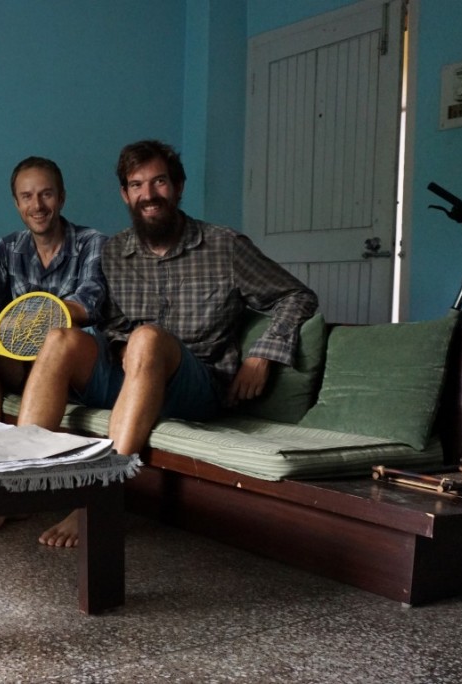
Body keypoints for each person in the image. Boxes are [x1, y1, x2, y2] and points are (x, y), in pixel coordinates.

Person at [19, 140, 319, 547]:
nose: (149, 194)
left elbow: (296, 296)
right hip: (130, 376)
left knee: (148, 338)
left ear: (178, 187)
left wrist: (264, 352)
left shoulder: (224, 245)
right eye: (137, 185)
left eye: (159, 181)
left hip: (196, 384)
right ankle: (13, 486)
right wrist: (123, 345)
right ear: (125, 194)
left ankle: (101, 496)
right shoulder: (114, 253)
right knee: (60, 339)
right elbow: (112, 321)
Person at [0, 156, 108, 535]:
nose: (38, 205)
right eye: (27, 196)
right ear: (16, 203)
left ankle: (9, 490)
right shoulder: (9, 247)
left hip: (74, 368)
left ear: (62, 197)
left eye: (46, 194)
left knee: (50, 339)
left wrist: (2, 321)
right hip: (22, 363)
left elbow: (84, 308)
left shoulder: (93, 243)